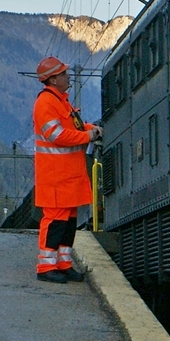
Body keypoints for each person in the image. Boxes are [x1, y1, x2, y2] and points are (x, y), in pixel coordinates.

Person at [32, 56, 101, 283]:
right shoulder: (46, 103)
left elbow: (73, 127)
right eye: (62, 73)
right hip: (56, 175)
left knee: (68, 221)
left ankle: (63, 264)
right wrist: (86, 135)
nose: (67, 76)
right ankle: (46, 267)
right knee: (55, 220)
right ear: (52, 79)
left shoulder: (61, 101)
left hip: (67, 175)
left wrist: (91, 129)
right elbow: (57, 135)